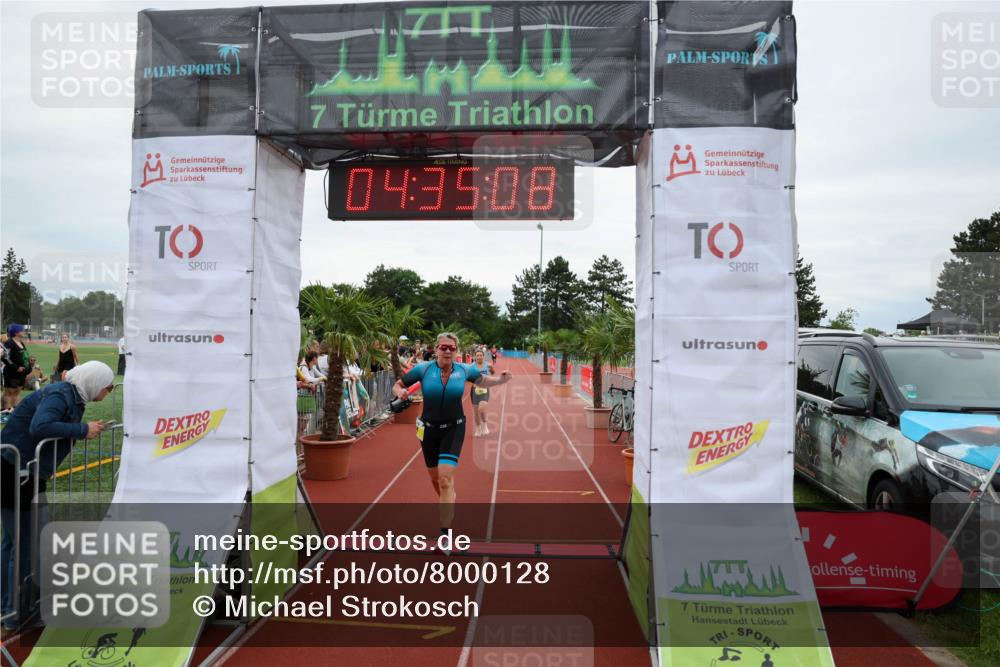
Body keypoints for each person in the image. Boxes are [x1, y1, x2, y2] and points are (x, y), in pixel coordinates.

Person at [1, 361, 115, 630]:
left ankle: (11, 606)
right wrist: (82, 430)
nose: (108, 392)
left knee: (15, 541)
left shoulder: (70, 394)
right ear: (94, 381)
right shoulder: (61, 394)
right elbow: (40, 427)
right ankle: (17, 612)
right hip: (15, 472)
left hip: (23, 471)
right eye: (107, 387)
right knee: (25, 543)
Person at [393, 333, 511, 538]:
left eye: (452, 348)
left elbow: (483, 380)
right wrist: (400, 393)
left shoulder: (465, 370)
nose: (447, 351)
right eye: (444, 347)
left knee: (446, 478)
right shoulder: (423, 369)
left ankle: (445, 534)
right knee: (436, 480)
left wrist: (500, 380)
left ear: (457, 351)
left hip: (453, 428)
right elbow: (399, 384)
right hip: (428, 430)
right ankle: (449, 499)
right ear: (437, 349)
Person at [3, 324, 29, 411]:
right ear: (16, 332)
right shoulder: (9, 343)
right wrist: (16, 367)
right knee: (9, 393)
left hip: (21, 374)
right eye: (22, 330)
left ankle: (14, 412)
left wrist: (28, 368)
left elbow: (25, 356)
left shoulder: (21, 342)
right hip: (11, 373)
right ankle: (5, 412)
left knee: (17, 392)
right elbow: (5, 357)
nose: (24, 332)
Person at [471, 349, 496, 436]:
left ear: (483, 356)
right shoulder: (472, 366)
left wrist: (492, 369)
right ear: (475, 357)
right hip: (475, 389)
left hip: (485, 388)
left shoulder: (487, 365)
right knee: (475, 411)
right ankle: (478, 429)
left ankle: (484, 424)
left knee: (481, 408)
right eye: (477, 355)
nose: (479, 357)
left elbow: (493, 373)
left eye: (480, 355)